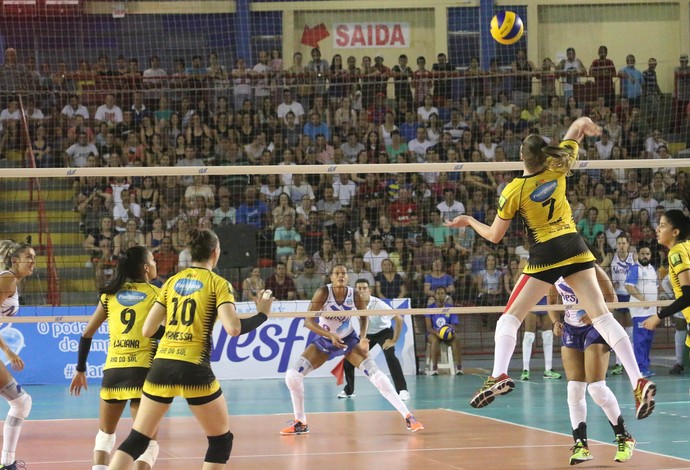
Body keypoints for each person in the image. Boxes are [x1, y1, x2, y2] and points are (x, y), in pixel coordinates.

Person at [444, 116, 656, 419]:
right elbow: (574, 134)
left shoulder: (513, 189)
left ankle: (499, 374)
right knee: (604, 317)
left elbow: (494, 236)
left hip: (545, 251)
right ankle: (639, 381)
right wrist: (582, 123)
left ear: (521, 156)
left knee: (510, 318)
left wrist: (468, 220)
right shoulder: (558, 167)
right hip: (575, 245)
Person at [108, 229, 274, 469]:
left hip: (162, 365)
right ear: (215, 253)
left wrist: (176, 336)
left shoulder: (171, 282)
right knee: (220, 441)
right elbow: (233, 328)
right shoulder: (219, 284)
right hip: (194, 367)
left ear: (191, 253)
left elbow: (147, 329)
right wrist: (262, 315)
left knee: (138, 438)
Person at [281, 264, 424, 435]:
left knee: (377, 376)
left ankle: (409, 417)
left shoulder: (353, 295)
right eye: (337, 273)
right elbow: (308, 321)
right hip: (325, 341)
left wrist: (363, 338)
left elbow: (364, 317)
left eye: (343, 273)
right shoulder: (323, 293)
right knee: (292, 376)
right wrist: (330, 336)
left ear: (347, 277)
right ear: (331, 277)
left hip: (349, 340)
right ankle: (301, 422)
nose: (341, 276)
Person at [70, 246, 161, 470]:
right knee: (146, 442)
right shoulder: (157, 295)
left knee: (105, 435)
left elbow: (86, 334)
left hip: (114, 371)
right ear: (146, 268)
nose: (156, 263)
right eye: (153, 260)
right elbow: (161, 332)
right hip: (143, 371)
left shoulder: (110, 295)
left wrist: (80, 369)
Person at [548, 267, 636, 465]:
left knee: (596, 388)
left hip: (595, 327)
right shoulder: (554, 269)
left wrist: (594, 311)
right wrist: (555, 322)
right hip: (570, 329)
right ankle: (581, 446)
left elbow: (611, 300)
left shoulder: (592, 268)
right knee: (574, 388)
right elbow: (551, 302)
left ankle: (624, 437)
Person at [338, 279, 409, 401]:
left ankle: (402, 390)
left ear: (369, 291)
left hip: (384, 332)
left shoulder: (378, 304)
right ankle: (349, 390)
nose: (361, 291)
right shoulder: (353, 303)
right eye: (358, 288)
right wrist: (362, 337)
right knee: (349, 361)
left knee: (390, 356)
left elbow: (399, 319)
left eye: (364, 288)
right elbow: (361, 320)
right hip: (367, 334)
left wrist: (394, 340)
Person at [0, 241, 35, 470]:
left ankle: (8, 463)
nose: (33, 261)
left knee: (21, 403)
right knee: (21, 403)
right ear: (15, 260)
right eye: (28, 257)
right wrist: (9, 351)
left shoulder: (10, 280)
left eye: (34, 257)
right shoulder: (7, 279)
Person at [625, 246, 659, 378]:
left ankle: (645, 367)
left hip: (652, 311)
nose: (645, 256)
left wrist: (657, 307)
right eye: (643, 253)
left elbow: (655, 288)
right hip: (639, 311)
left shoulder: (652, 270)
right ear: (638, 254)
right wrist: (643, 300)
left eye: (648, 253)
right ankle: (639, 369)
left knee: (648, 340)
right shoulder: (634, 269)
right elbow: (628, 287)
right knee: (640, 340)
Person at [425, 286, 463, 376]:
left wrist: (448, 331)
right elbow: (429, 328)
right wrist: (438, 333)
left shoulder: (450, 307)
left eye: (442, 293)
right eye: (438, 293)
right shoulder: (429, 308)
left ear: (445, 295)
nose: (440, 295)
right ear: (434, 295)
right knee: (434, 340)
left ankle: (459, 368)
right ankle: (434, 369)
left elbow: (453, 324)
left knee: (456, 339)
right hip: (433, 333)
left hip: (447, 333)